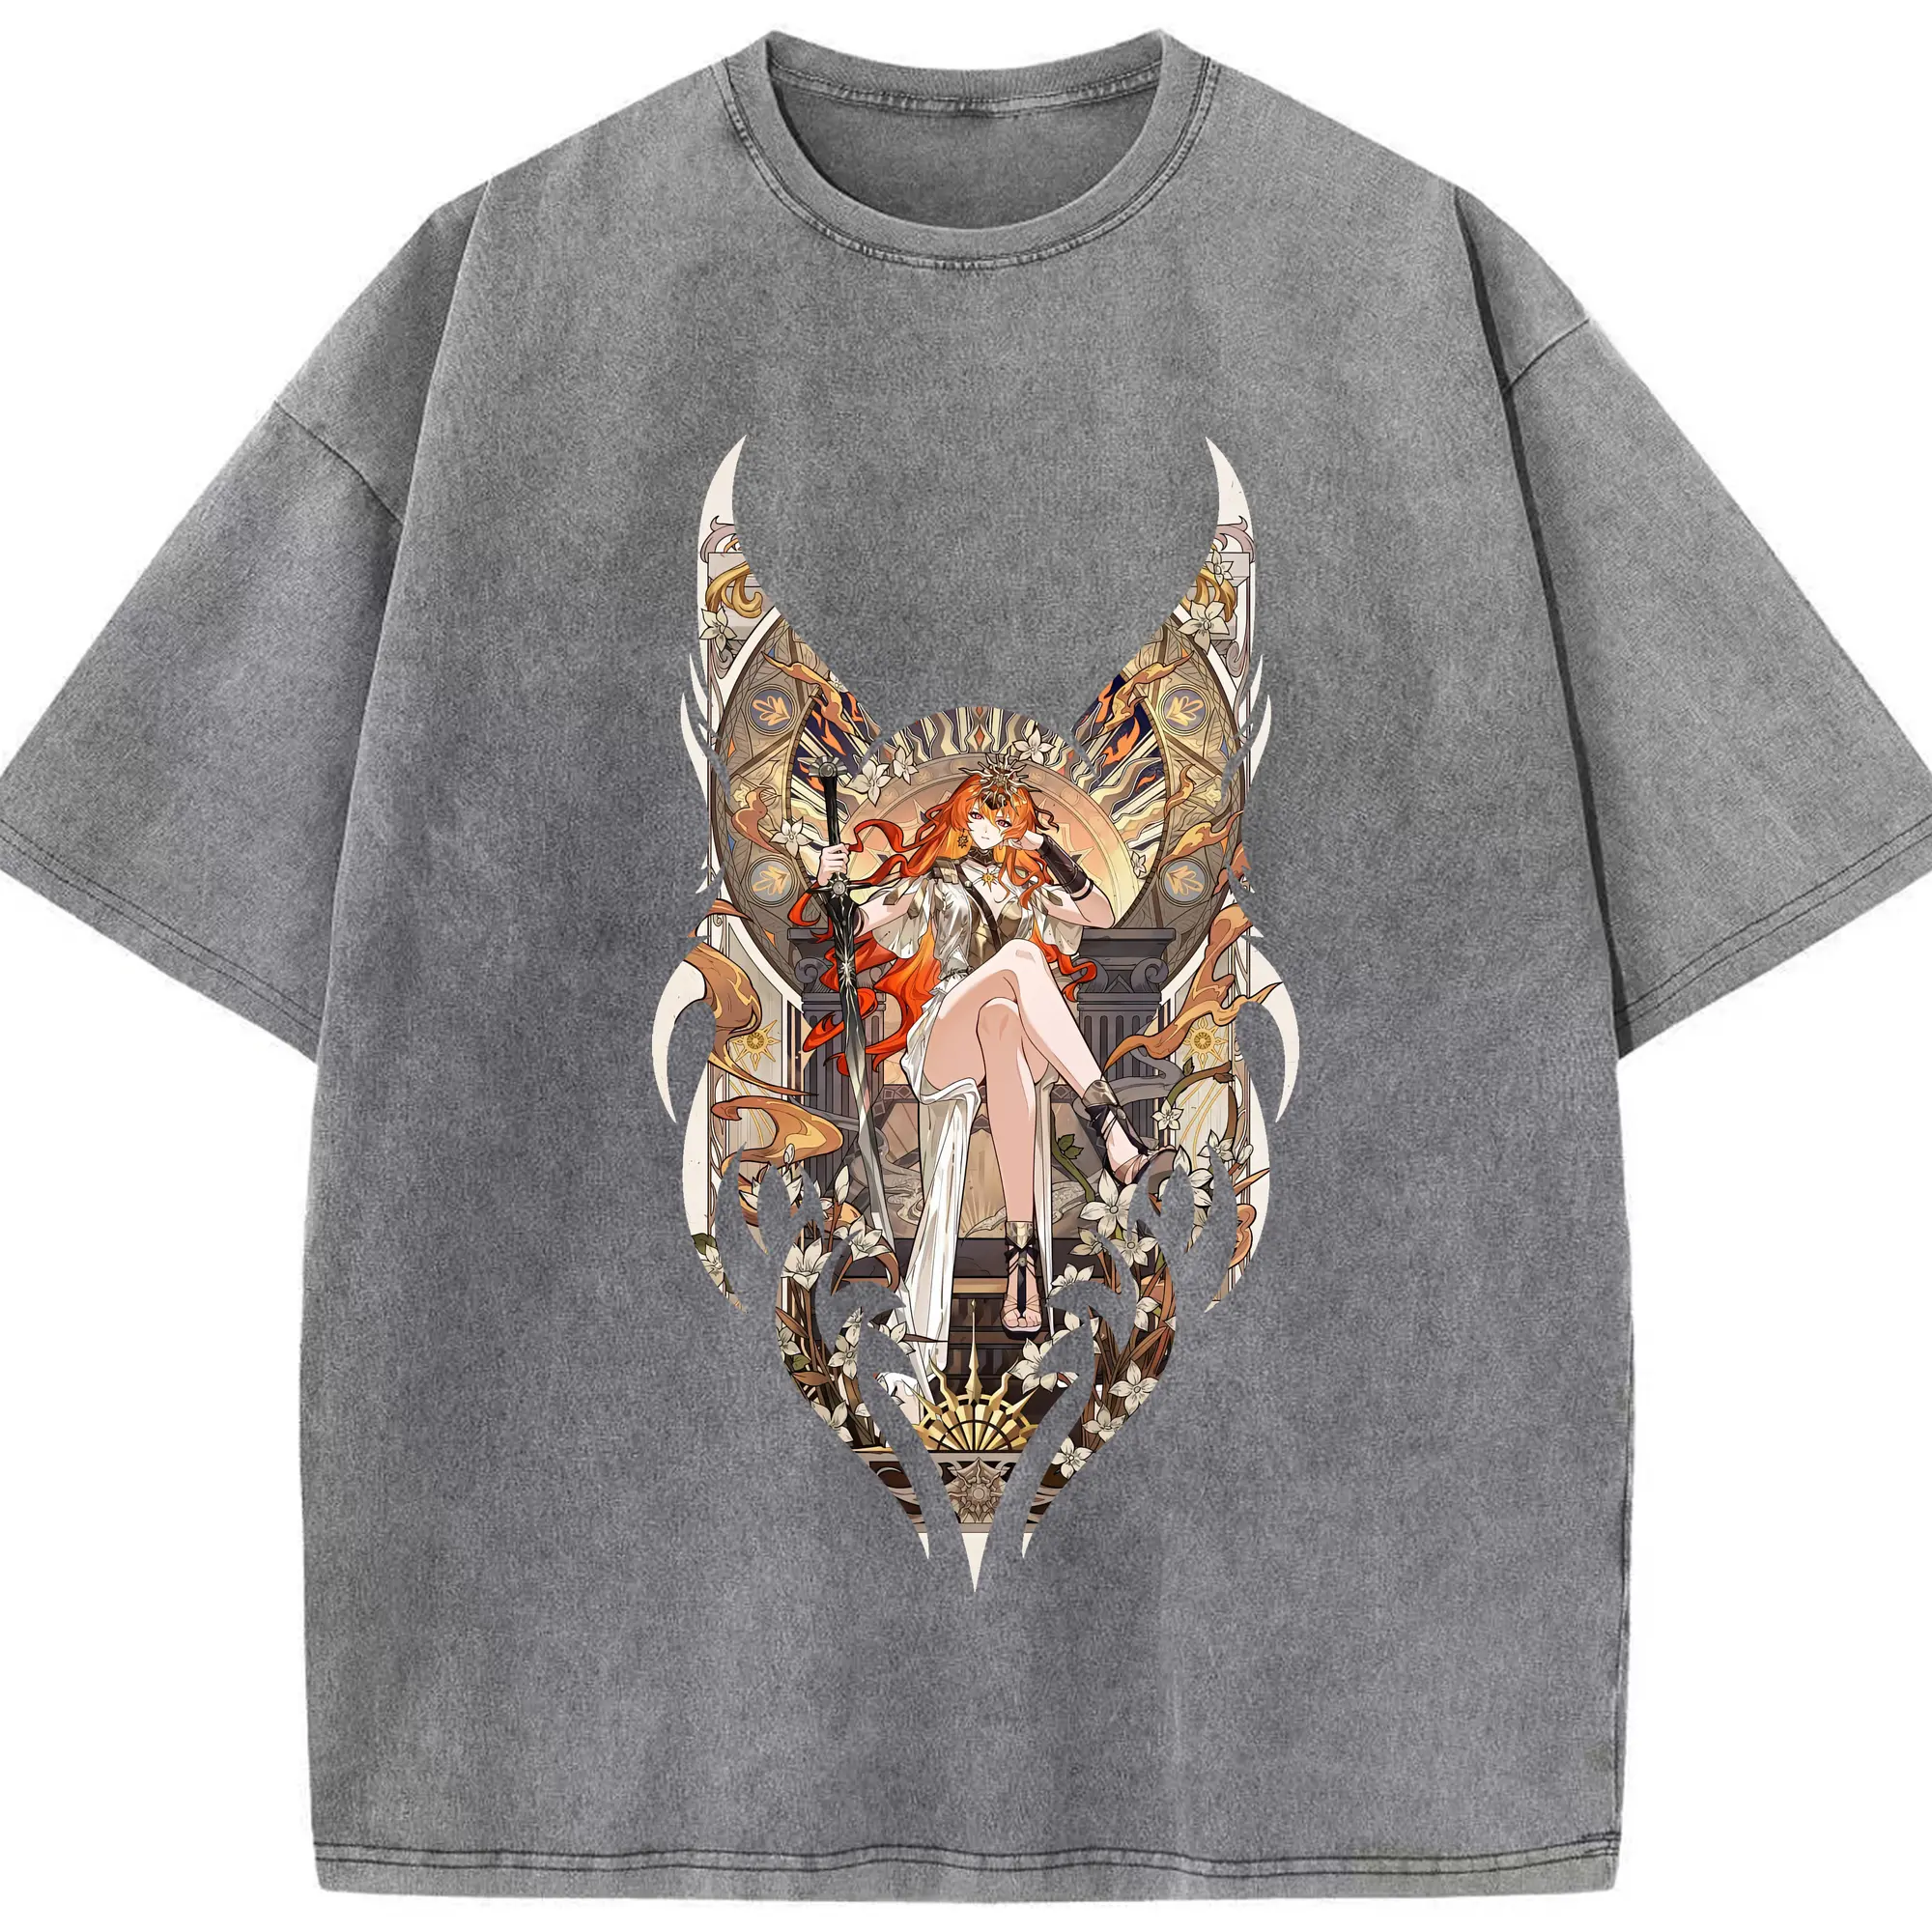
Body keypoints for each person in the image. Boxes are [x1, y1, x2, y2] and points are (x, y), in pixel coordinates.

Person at [807, 750, 1170, 1380]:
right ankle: (1110, 1125)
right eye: (976, 812)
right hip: (945, 1038)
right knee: (1023, 962)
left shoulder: (1032, 888)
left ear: (1017, 823)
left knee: (1003, 1017)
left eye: (1001, 816)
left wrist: (1047, 849)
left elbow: (1101, 915)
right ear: (958, 814)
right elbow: (855, 924)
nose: (985, 825)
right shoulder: (931, 881)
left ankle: (1021, 1260)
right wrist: (826, 881)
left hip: (1010, 1040)